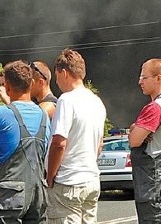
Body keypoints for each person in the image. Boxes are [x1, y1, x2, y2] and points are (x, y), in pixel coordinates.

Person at [0, 60, 49, 224]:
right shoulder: (44, 115)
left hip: (7, 196)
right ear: (31, 84)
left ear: (8, 87)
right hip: (38, 195)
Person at [45, 49, 106, 224]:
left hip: (69, 182)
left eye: (57, 76)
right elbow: (99, 145)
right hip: (91, 180)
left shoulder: (66, 100)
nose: (57, 82)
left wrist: (50, 176)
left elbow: (59, 143)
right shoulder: (97, 102)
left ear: (64, 72)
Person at [128, 58, 161, 223]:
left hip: (154, 184)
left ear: (158, 78)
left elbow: (134, 140)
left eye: (144, 77)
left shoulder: (154, 108)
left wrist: (135, 128)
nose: (140, 82)